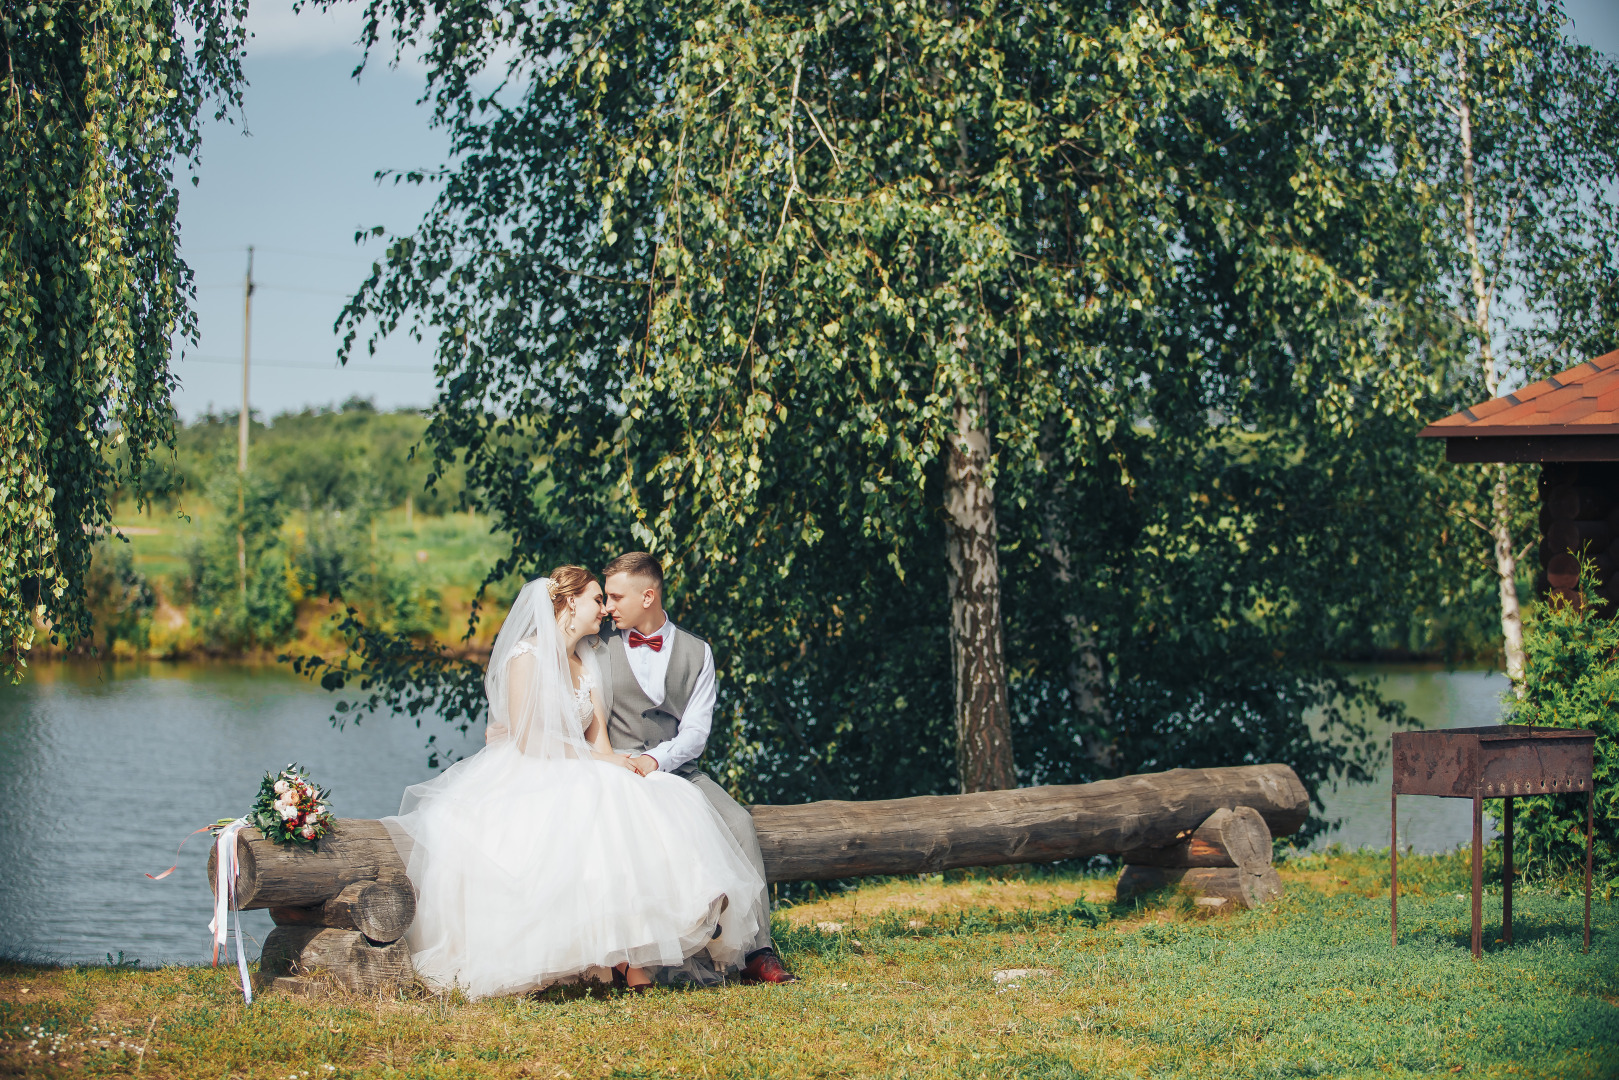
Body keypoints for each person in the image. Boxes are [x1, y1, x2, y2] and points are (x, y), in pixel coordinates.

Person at [382, 567, 767, 998]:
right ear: (569, 604)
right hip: (529, 768)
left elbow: (598, 739)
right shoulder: (526, 657)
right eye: (597, 600)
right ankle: (613, 959)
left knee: (645, 793)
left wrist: (616, 761)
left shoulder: (587, 666)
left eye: (607, 600)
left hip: (579, 762)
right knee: (591, 806)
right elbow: (527, 740)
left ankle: (651, 941)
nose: (604, 609)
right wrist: (595, 761)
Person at [589, 552, 797, 985]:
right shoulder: (596, 647)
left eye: (614, 596)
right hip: (616, 772)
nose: (607, 607)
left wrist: (656, 760)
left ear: (648, 596)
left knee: (738, 822)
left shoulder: (698, 651)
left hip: (679, 770)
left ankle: (758, 951)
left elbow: (696, 733)